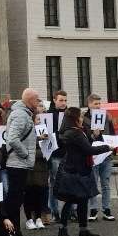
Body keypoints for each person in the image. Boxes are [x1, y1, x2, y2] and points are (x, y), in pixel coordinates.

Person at [55, 106, 112, 236]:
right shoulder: (75, 133)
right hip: (76, 172)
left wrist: (93, 136)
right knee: (70, 201)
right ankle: (62, 231)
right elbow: (88, 150)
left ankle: (83, 229)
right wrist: (107, 147)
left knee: (82, 200)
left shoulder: (71, 131)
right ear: (75, 119)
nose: (82, 119)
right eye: (80, 117)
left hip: (77, 169)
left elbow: (83, 145)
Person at [4, 88, 40, 236]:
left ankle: (15, 234)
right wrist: (25, 154)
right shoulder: (20, 114)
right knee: (14, 200)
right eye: (37, 100)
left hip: (19, 163)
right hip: (17, 163)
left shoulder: (23, 114)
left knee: (16, 199)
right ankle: (14, 234)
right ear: (30, 100)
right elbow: (12, 138)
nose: (38, 103)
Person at [82, 94, 117, 221]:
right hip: (93, 155)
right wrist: (93, 135)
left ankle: (106, 209)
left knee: (106, 183)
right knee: (93, 183)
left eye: (99, 103)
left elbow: (112, 133)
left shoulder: (106, 116)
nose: (98, 106)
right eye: (95, 104)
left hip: (106, 154)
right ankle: (93, 209)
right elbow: (83, 138)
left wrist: (114, 149)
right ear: (89, 104)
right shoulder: (84, 118)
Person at [44, 90, 68, 225]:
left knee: (68, 183)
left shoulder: (69, 114)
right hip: (55, 154)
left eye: (65, 100)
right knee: (54, 184)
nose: (63, 103)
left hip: (68, 154)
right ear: (54, 100)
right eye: (61, 100)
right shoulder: (49, 115)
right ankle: (54, 212)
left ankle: (68, 211)